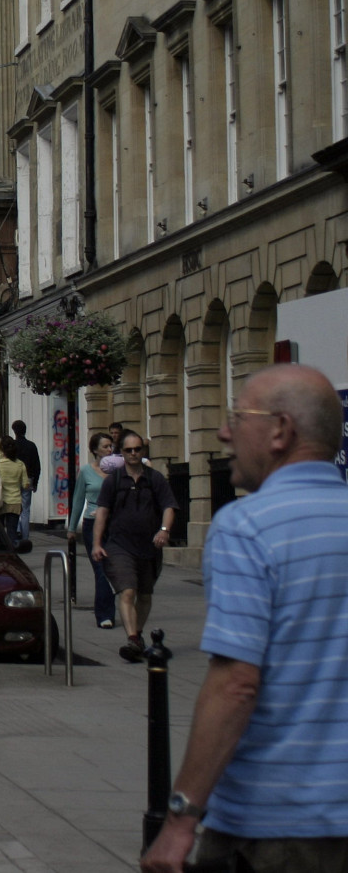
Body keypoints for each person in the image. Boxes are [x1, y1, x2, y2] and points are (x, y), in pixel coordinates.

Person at [142, 365, 348, 873]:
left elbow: (236, 684)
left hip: (279, 824)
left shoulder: (247, 526)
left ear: (280, 431)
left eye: (237, 417)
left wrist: (180, 820)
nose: (223, 432)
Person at [90, 429, 175, 663]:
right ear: (122, 453)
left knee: (145, 595)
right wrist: (97, 544)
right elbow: (102, 513)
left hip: (148, 546)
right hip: (120, 545)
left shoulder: (155, 478)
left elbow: (168, 506)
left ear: (142, 451)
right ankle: (133, 638)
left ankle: (136, 636)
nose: (134, 453)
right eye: (129, 450)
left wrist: (164, 530)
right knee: (127, 590)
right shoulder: (114, 481)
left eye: (138, 449)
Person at [68, 432, 116, 630]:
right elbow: (78, 500)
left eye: (111, 446)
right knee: (100, 568)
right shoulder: (86, 472)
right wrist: (72, 528)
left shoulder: (117, 471)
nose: (110, 450)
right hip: (92, 524)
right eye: (105, 446)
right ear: (95, 450)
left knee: (113, 569)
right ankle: (105, 615)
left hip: (114, 524)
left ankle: (112, 608)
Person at [0, 437, 31, 543]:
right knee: (12, 532)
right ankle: (12, 549)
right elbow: (25, 484)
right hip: (15, 502)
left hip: (0, 501)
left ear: (2, 448)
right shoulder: (20, 464)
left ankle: (1, 550)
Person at [10, 419, 41, 544]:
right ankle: (25, 537)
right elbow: (37, 465)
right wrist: (35, 482)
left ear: (14, 431)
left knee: (15, 506)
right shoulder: (31, 445)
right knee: (26, 509)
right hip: (28, 478)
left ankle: (17, 531)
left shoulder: (12, 446)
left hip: (14, 479)